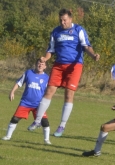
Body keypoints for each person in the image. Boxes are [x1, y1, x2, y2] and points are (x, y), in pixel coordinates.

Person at [27, 8, 100, 137]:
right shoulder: (56, 31)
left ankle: (62, 125)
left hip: (74, 66)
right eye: (60, 20)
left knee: (68, 94)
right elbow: (51, 50)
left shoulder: (78, 30)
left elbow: (86, 46)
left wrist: (93, 55)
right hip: (59, 65)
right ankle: (37, 121)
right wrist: (45, 58)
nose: (62, 22)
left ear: (71, 19)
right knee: (49, 91)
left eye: (65, 20)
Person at [2, 59, 51, 144]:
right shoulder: (28, 73)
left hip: (38, 105)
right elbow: (19, 83)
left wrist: (45, 103)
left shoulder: (47, 78)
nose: (40, 65)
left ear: (45, 67)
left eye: (42, 64)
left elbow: (49, 92)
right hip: (25, 102)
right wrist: (12, 92)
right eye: (39, 63)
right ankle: (8, 136)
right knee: (15, 119)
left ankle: (47, 140)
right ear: (35, 64)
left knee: (45, 122)